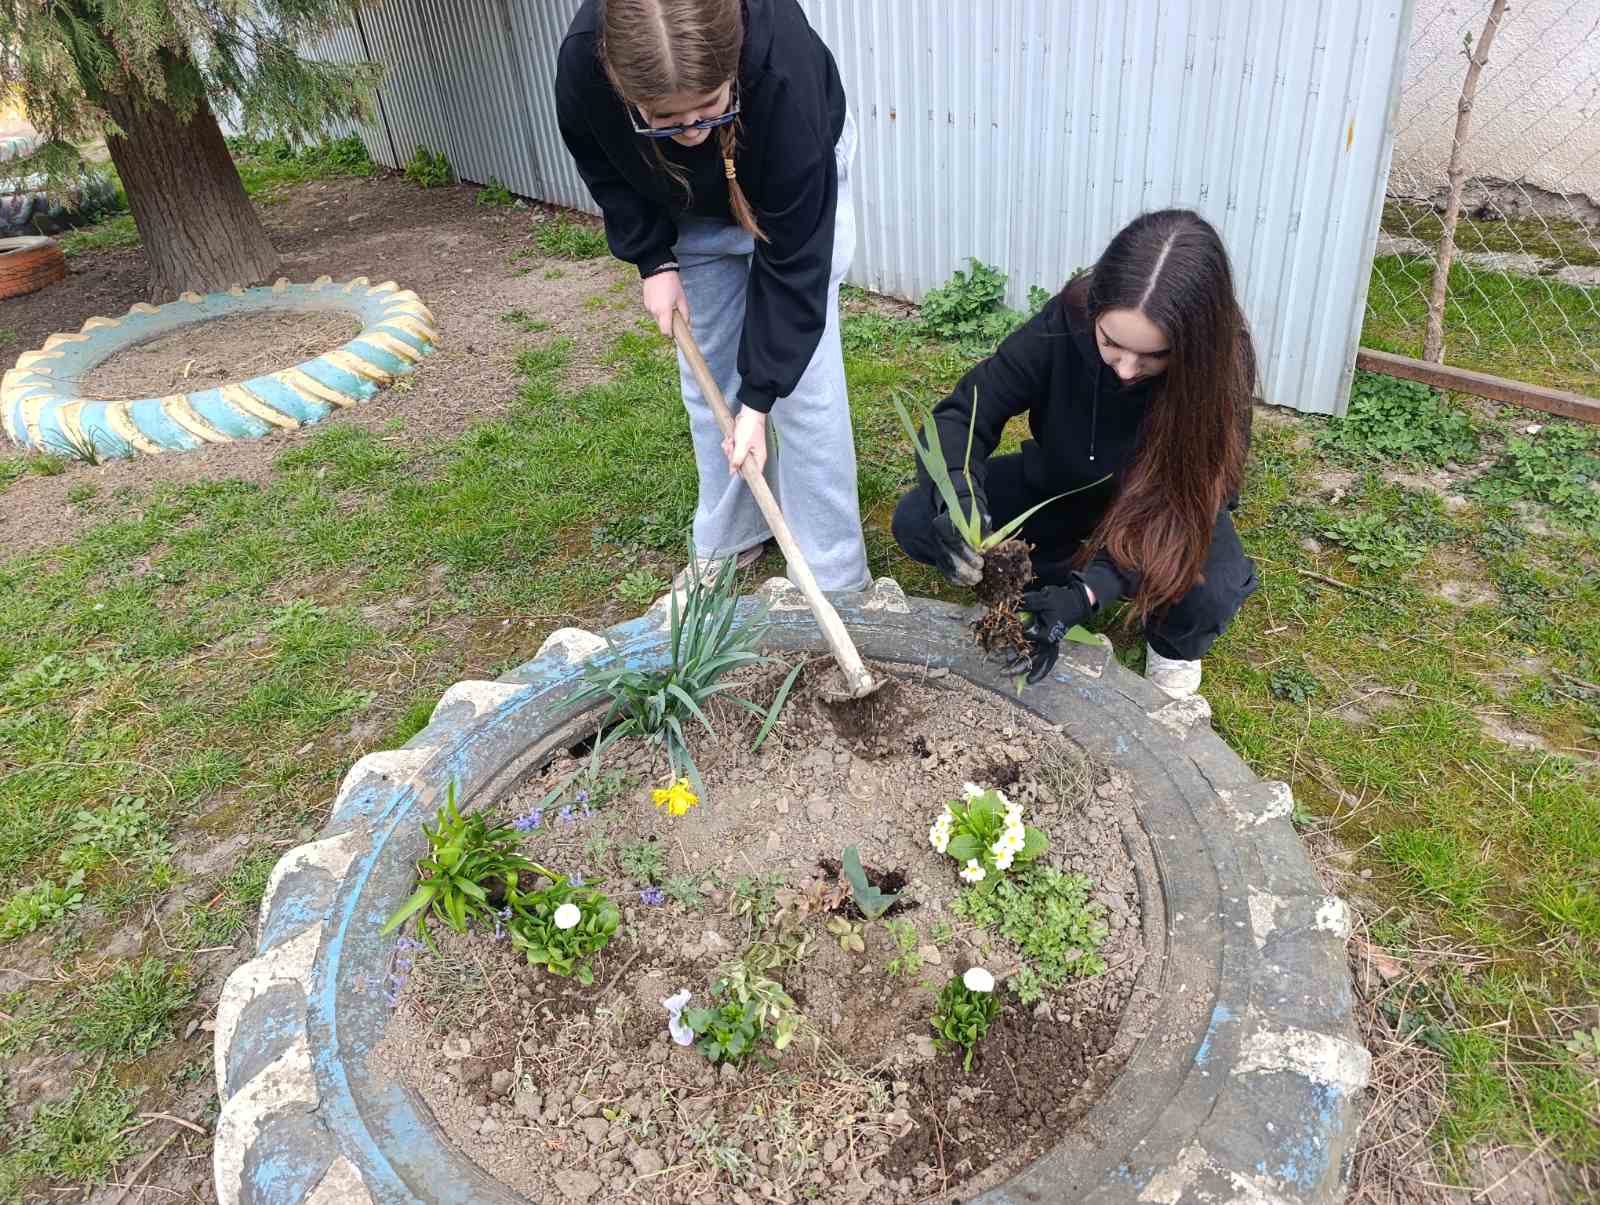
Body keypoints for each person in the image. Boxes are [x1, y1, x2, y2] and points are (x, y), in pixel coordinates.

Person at [555, 0, 869, 593]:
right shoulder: (584, 64)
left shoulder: (780, 68)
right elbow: (601, 161)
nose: (693, 131)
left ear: (733, 68)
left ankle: (832, 575)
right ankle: (733, 537)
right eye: (666, 118)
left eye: (708, 107)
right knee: (708, 375)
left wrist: (760, 399)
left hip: (785, 175)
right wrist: (653, 258)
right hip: (678, 195)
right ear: (623, 90)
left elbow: (795, 265)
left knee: (803, 389)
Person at [892, 209, 1260, 698]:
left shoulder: (1222, 365)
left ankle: (1169, 642)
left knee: (1207, 589)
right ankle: (1036, 583)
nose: (1126, 369)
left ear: (1194, 344)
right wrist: (958, 498)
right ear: (1095, 311)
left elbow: (1193, 502)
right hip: (1063, 487)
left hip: (1160, 510)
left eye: (1153, 355)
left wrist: (1087, 594)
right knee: (918, 519)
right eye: (1112, 343)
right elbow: (964, 414)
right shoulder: (1066, 320)